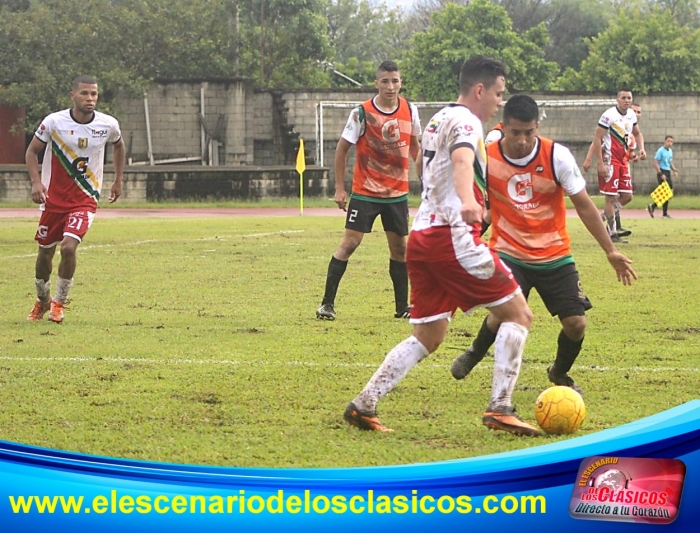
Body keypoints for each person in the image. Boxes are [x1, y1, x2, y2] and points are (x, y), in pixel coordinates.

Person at [343, 56, 541, 437]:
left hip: (422, 236)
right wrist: (468, 201)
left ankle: (364, 404)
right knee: (519, 315)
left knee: (428, 336)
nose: (501, 102)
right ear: (480, 90)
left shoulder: (438, 117)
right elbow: (463, 160)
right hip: (452, 237)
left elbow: (428, 167)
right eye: (498, 94)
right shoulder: (467, 122)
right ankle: (500, 407)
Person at [450, 94, 637, 397]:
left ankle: (559, 372)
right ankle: (475, 351)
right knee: (504, 314)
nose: (523, 140)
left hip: (555, 255)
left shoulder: (556, 156)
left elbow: (586, 206)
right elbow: (476, 205)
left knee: (576, 323)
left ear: (536, 127)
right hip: (508, 252)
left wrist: (610, 250)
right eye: (515, 133)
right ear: (503, 127)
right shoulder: (485, 157)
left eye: (529, 132)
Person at [316, 60, 422, 321]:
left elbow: (415, 147)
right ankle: (326, 304)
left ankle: (401, 308)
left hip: (397, 194)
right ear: (376, 83)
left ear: (401, 82)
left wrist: (427, 180)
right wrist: (340, 189)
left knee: (400, 249)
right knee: (350, 243)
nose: (390, 86)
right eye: (385, 81)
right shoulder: (361, 112)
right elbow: (342, 149)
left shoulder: (410, 109)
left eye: (395, 80)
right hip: (365, 192)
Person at [26, 75, 125, 323]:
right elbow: (32, 151)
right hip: (53, 200)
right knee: (44, 255)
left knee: (69, 247)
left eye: (94, 94)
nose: (90, 98)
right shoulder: (54, 122)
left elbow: (119, 145)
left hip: (85, 198)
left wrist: (118, 179)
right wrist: (37, 182)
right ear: (73, 95)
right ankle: (42, 300)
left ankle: (59, 303)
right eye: (84, 93)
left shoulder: (107, 124)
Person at [583, 90, 645, 243]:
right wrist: (598, 162)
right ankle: (612, 233)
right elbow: (597, 138)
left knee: (627, 196)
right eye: (623, 97)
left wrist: (641, 149)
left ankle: (604, 216)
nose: (626, 100)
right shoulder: (608, 115)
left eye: (629, 98)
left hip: (623, 162)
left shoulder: (631, 115)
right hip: (610, 161)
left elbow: (637, 134)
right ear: (617, 99)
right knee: (610, 198)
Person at [647, 135, 679, 219]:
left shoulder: (670, 151)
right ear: (665, 141)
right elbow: (655, 163)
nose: (670, 143)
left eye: (671, 141)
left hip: (667, 172)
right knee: (667, 193)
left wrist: (675, 170)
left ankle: (653, 207)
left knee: (668, 193)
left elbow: (670, 162)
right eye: (668, 141)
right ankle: (663, 213)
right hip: (662, 172)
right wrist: (661, 174)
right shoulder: (660, 151)